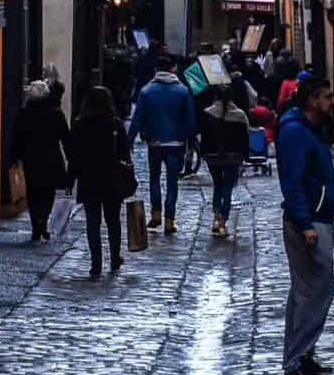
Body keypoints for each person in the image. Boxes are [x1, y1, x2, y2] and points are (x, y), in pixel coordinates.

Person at [276, 74, 334, 375]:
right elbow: (292, 181)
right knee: (314, 292)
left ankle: (303, 355)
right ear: (313, 100)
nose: (333, 102)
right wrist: (305, 224)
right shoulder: (295, 132)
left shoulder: (309, 129)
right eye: (328, 97)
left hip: (318, 217)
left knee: (308, 291)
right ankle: (297, 359)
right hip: (310, 221)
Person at [129, 54, 197, 234]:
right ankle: (169, 220)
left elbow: (137, 120)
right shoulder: (182, 91)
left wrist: (129, 141)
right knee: (172, 182)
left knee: (154, 178)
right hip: (176, 143)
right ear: (173, 69)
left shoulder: (146, 91)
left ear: (156, 70)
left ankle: (156, 214)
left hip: (155, 142)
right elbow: (190, 121)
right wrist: (194, 142)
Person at [69, 85, 129, 278]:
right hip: (112, 179)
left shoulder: (80, 124)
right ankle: (114, 258)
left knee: (93, 223)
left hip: (89, 179)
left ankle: (96, 263)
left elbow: (74, 156)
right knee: (113, 221)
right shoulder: (115, 124)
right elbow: (125, 153)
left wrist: (70, 180)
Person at [8, 79, 71, 244]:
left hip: (30, 160)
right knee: (48, 192)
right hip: (51, 159)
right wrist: (71, 159)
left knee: (33, 192)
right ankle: (43, 220)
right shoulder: (56, 113)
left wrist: (13, 158)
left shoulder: (24, 114)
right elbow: (66, 138)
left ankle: (36, 224)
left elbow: (16, 139)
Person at [199, 85, 251, 239]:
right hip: (233, 157)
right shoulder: (240, 115)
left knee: (218, 185)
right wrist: (244, 156)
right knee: (227, 188)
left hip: (213, 157)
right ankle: (223, 221)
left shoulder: (207, 113)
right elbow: (246, 135)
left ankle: (216, 217)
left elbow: (204, 135)